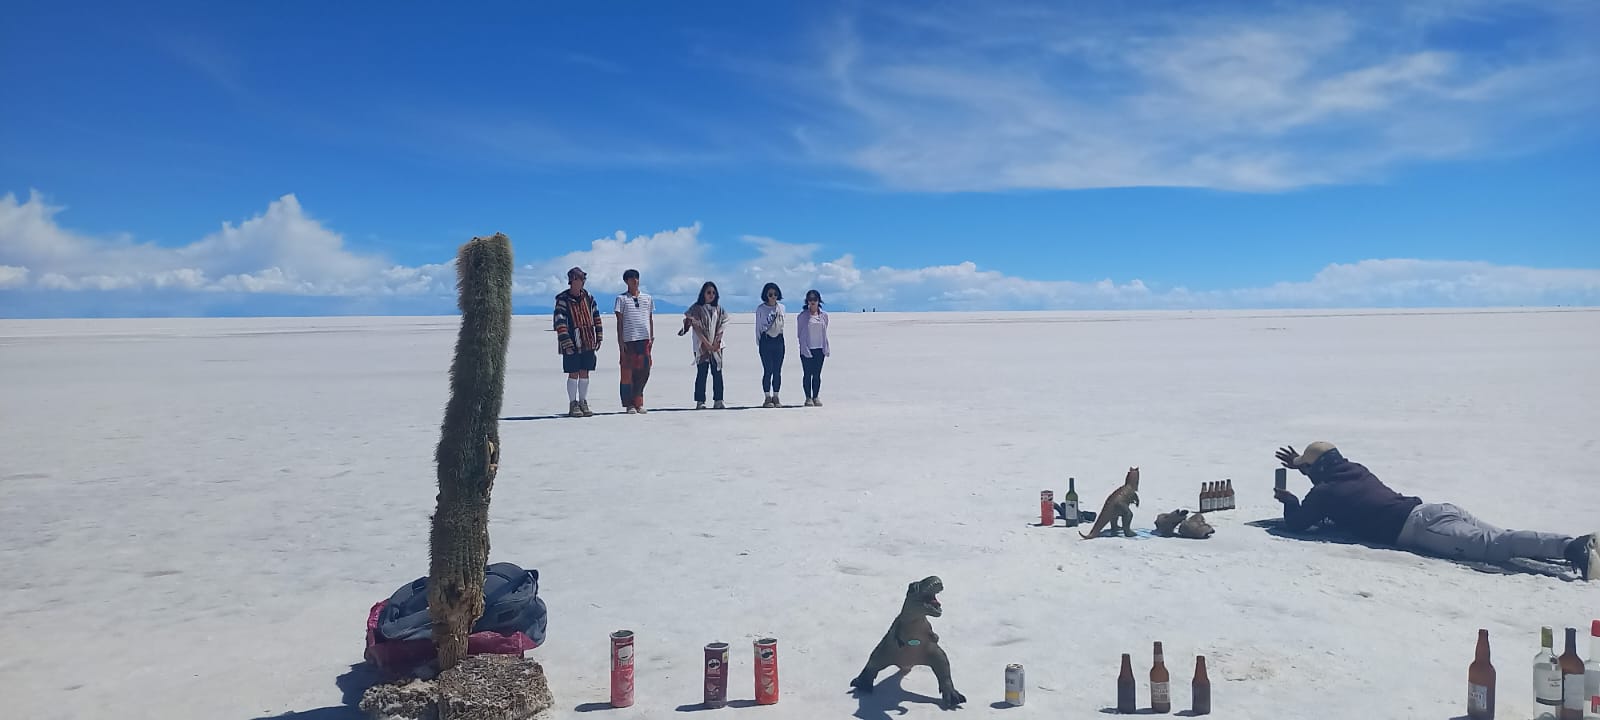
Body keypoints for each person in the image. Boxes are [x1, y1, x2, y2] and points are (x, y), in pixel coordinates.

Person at [1272, 441, 1596, 580]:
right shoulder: (1354, 470)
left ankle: (1571, 546)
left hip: (1422, 529)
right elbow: (1333, 488)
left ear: (1318, 471)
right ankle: (1573, 550)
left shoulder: (1325, 492)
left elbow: (1299, 524)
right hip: (1434, 510)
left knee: (1495, 547)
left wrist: (1290, 502)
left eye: (1308, 469)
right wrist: (1304, 464)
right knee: (1501, 537)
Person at [553, 266, 603, 417]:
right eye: (577, 279)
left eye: (582, 279)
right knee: (573, 373)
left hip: (588, 340)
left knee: (585, 372)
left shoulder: (589, 297)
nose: (580, 282)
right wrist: (566, 342)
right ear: (572, 281)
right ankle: (572, 403)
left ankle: (583, 401)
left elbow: (596, 316)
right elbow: (559, 322)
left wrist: (599, 335)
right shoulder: (562, 299)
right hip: (572, 341)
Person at [679, 281, 729, 409]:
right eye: (708, 292)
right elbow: (696, 328)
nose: (711, 295)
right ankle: (700, 401)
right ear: (703, 294)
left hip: (716, 346)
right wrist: (707, 344)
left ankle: (719, 399)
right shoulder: (696, 308)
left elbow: (722, 325)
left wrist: (716, 342)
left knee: (717, 373)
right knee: (702, 373)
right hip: (701, 346)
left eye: (713, 292)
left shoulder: (719, 309)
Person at [613, 268, 654, 414]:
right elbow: (620, 321)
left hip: (644, 339)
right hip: (629, 340)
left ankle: (639, 401)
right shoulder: (621, 299)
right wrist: (620, 341)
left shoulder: (647, 298)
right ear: (626, 281)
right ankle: (629, 404)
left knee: (644, 371)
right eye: (631, 279)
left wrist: (652, 336)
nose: (635, 281)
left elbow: (649, 318)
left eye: (637, 278)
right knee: (627, 373)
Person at [796, 289, 830, 407]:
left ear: (818, 300)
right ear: (807, 301)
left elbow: (825, 331)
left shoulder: (824, 315)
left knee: (817, 374)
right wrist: (803, 348)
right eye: (810, 300)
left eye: (814, 299)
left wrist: (826, 347)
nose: (812, 302)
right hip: (807, 349)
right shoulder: (803, 316)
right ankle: (808, 397)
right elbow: (799, 333)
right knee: (807, 374)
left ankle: (816, 396)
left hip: (819, 348)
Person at [755, 282, 786, 407]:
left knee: (777, 370)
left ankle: (776, 396)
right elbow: (757, 326)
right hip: (766, 341)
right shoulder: (761, 309)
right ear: (766, 295)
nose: (773, 297)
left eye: (775, 294)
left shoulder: (782, 308)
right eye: (770, 294)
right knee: (768, 370)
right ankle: (767, 397)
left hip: (779, 340)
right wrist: (759, 342)